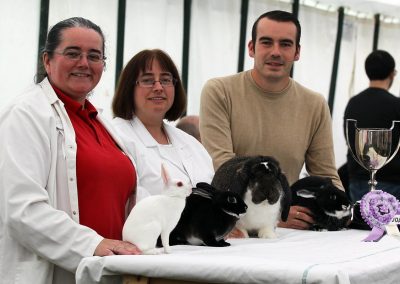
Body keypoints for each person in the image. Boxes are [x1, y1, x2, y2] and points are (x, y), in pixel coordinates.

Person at [0, 17, 141, 284]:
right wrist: (92, 245)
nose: (84, 63)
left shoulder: (101, 123)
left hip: (109, 271)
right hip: (62, 272)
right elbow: (21, 209)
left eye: (94, 56)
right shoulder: (25, 115)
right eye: (73, 53)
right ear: (47, 60)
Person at [199, 10, 343, 231]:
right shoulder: (219, 92)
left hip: (285, 232)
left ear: (297, 52)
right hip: (230, 227)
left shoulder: (315, 104)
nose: (275, 52)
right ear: (251, 47)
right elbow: (223, 168)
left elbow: (325, 175)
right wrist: (274, 215)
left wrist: (347, 210)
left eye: (285, 44)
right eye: (266, 42)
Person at [112, 49, 214, 202]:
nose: (159, 87)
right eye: (147, 80)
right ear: (129, 88)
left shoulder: (190, 142)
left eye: (166, 80)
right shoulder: (117, 137)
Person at [343, 50, 400, 202]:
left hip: (356, 180)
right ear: (392, 74)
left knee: (361, 224)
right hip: (392, 182)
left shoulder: (353, 103)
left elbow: (349, 140)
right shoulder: (396, 105)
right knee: (386, 225)